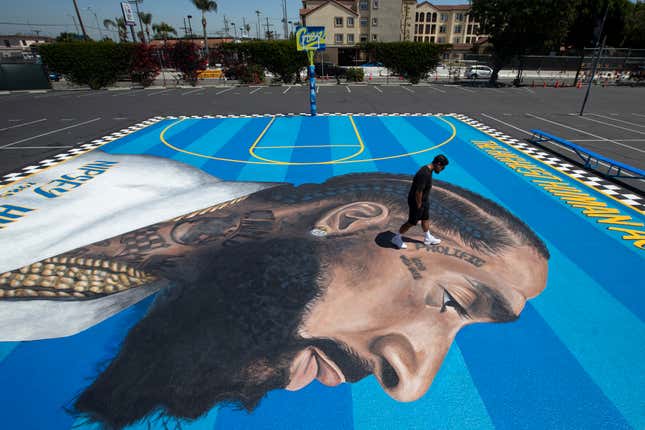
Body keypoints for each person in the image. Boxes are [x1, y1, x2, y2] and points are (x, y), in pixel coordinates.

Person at [18, 172, 549, 429]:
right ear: (351, 223)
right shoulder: (57, 200)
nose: (410, 383)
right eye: (452, 300)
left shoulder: (68, 309)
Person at [392, 154, 449, 250]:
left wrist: (424, 203)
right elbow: (418, 191)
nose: (442, 170)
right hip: (417, 201)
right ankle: (396, 238)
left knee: (425, 218)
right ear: (438, 164)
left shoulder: (429, 170)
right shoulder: (424, 173)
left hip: (424, 200)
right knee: (412, 222)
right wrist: (419, 205)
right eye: (442, 168)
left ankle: (428, 238)